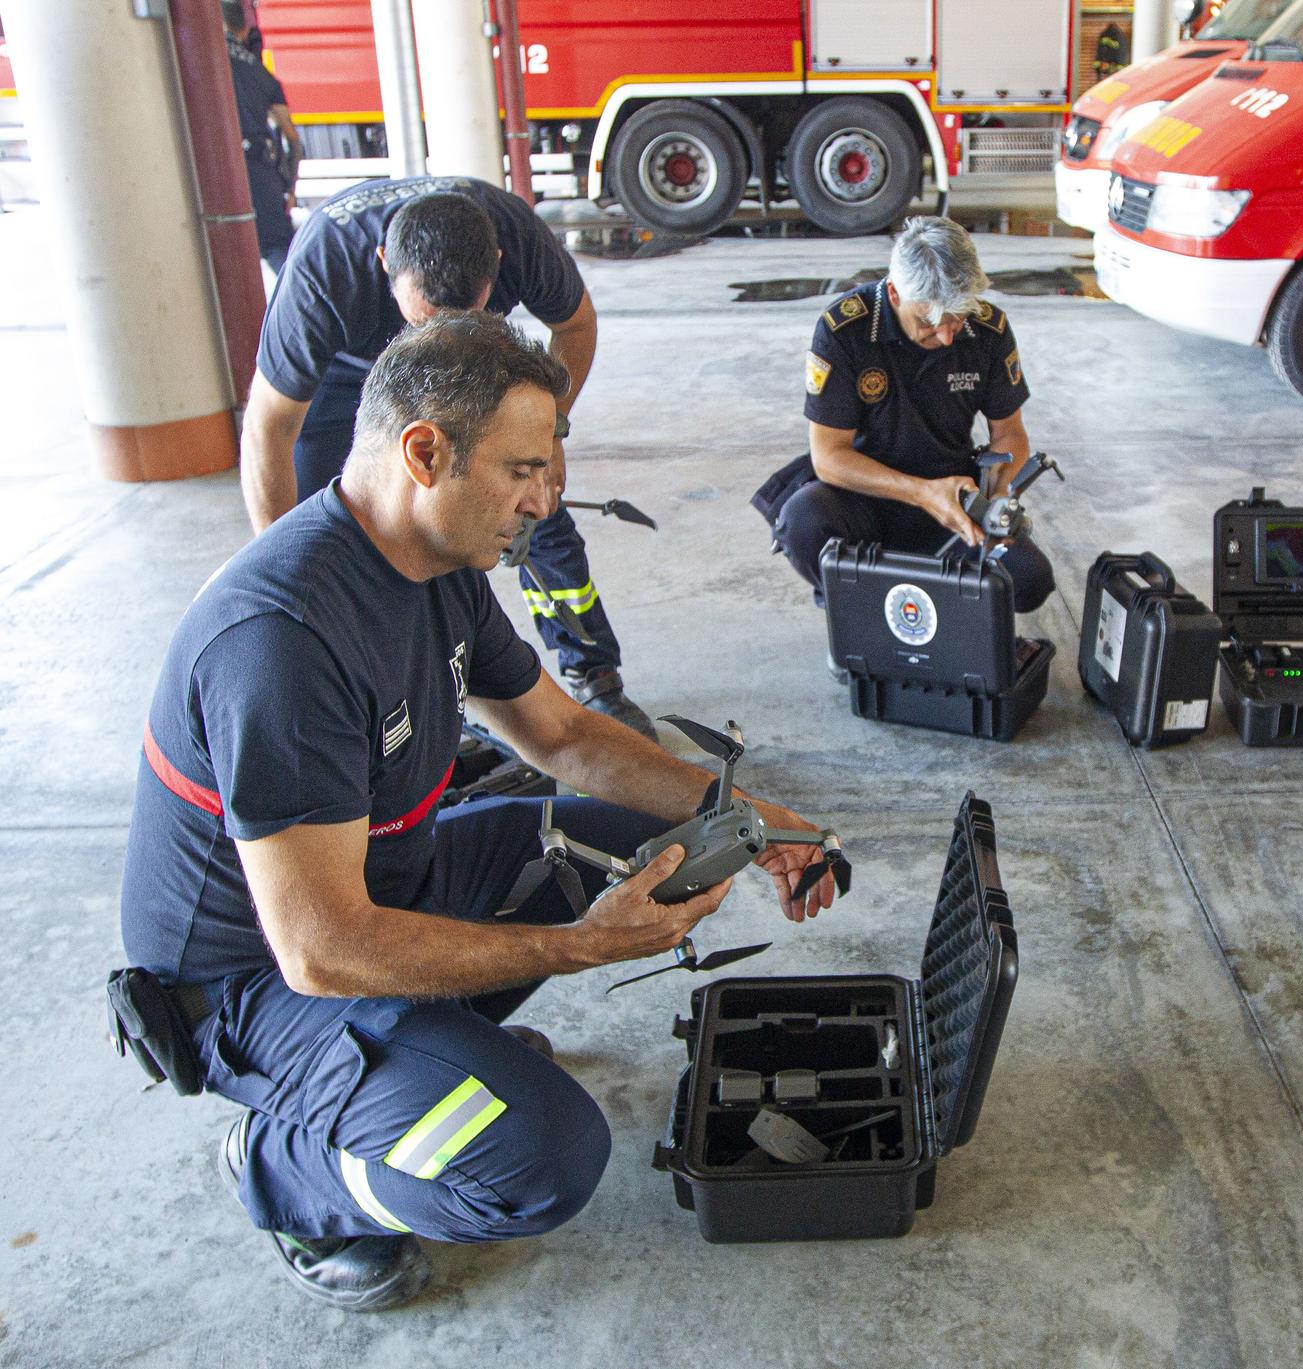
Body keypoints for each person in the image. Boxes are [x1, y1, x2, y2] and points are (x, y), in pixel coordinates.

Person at [122, 313, 840, 1311]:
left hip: (381, 886)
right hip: (257, 989)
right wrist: (575, 949)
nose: (544, 501)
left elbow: (565, 736)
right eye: (521, 471)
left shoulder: (434, 567)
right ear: (425, 451)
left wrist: (758, 822)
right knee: (541, 1157)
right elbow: (321, 950)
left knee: (657, 850)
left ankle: (431, 1058)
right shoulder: (282, 639)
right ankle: (286, 1166)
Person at [237, 177, 657, 740]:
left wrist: (549, 434)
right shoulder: (324, 274)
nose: (435, 333)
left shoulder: (517, 236)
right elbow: (270, 428)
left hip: (472, 368)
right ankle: (380, 694)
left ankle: (594, 674)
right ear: (384, 262)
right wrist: (284, 577)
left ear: (498, 268)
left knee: (531, 495)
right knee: (338, 536)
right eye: (426, 315)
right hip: (344, 381)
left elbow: (576, 324)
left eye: (463, 313)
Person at [757, 216, 1055, 616]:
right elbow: (829, 457)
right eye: (930, 321)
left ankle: (933, 613)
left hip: (954, 495)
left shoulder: (989, 331)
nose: (947, 335)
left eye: (957, 317)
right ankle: (862, 615)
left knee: (1030, 581)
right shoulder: (845, 331)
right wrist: (920, 492)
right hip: (865, 495)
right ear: (895, 294)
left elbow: (1010, 435)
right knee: (803, 521)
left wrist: (996, 498)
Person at [221, 2, 300, 276]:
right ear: (245, 30)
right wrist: (290, 188)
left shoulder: (206, 61)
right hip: (261, 172)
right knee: (279, 251)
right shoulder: (260, 73)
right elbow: (292, 139)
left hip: (218, 173)